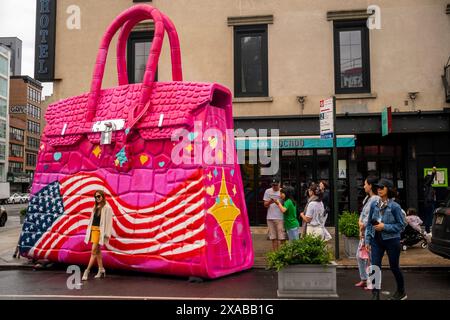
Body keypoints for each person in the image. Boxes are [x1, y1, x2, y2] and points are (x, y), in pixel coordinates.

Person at [365, 178, 407, 300]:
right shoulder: (374, 204)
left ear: (388, 189)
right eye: (377, 187)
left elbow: (401, 225)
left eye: (381, 187)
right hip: (376, 240)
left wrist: (385, 226)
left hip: (392, 240)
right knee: (375, 267)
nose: (379, 189)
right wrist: (367, 240)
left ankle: (401, 291)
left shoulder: (395, 207)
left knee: (394, 267)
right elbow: (369, 223)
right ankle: (375, 294)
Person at [82, 190, 113, 281]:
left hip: (100, 232)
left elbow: (108, 222)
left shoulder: (107, 207)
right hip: (93, 230)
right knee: (98, 251)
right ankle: (101, 269)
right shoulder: (95, 206)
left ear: (103, 196)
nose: (97, 198)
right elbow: (92, 220)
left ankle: (86, 271)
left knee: (93, 251)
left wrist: (106, 234)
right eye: (95, 197)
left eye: (99, 196)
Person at [355, 176, 379, 289]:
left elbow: (369, 218)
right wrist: (360, 223)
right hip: (363, 232)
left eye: (365, 184)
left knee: (371, 258)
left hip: (369, 233)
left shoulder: (375, 199)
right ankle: (364, 279)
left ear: (370, 186)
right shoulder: (368, 198)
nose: (364, 186)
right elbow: (362, 214)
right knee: (360, 256)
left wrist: (362, 224)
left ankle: (374, 283)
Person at [263, 179, 285, 251]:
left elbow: (286, 204)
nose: (274, 187)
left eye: (275, 185)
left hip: (280, 217)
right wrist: (270, 201)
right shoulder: (268, 191)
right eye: (273, 185)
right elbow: (265, 205)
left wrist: (279, 202)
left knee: (282, 237)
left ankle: (282, 253)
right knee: (273, 237)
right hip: (270, 217)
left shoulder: (283, 191)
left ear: (279, 184)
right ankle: (275, 254)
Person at [423, 166, 437, 236]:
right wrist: (433, 172)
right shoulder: (427, 185)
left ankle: (427, 230)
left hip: (429, 203)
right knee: (429, 217)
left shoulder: (427, 186)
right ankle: (427, 231)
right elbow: (431, 179)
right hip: (429, 203)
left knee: (429, 216)